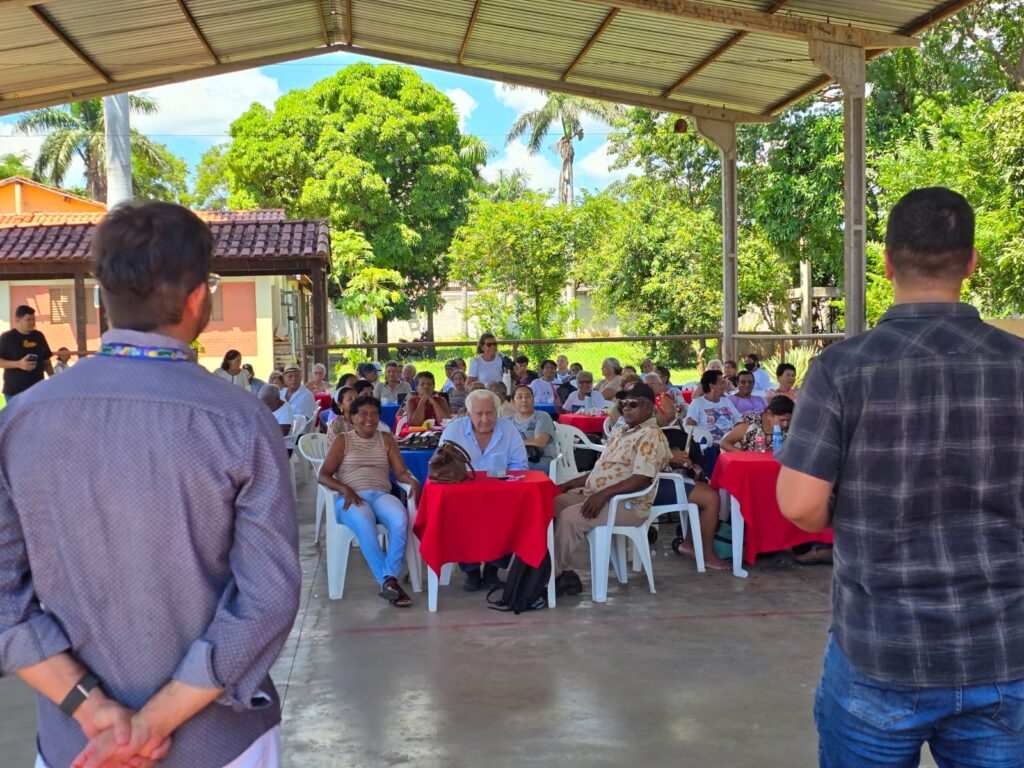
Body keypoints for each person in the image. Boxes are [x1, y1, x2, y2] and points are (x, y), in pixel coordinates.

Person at [0, 202, 301, 768]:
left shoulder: (19, 423)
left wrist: (96, 717)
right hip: (223, 744)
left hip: (77, 745)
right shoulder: (240, 419)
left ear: (99, 298)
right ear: (197, 299)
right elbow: (267, 598)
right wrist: (152, 723)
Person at [777, 187, 1024, 766]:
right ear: (972, 262)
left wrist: (860, 506)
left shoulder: (842, 368)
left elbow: (800, 504)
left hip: (881, 648)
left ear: (886, 265)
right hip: (1005, 648)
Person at [552, 383, 671, 596]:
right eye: (623, 403)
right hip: (595, 495)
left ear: (648, 408)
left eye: (633, 404)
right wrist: (566, 486)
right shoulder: (620, 432)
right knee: (547, 505)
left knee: (570, 517)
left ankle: (547, 580)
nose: (626, 408)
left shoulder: (651, 435)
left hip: (629, 504)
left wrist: (603, 495)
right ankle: (560, 572)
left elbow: (642, 478)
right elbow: (601, 471)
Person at [318, 395, 419, 608]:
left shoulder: (386, 439)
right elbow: (324, 475)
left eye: (374, 414)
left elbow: (400, 472)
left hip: (380, 494)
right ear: (352, 417)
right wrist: (344, 488)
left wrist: (413, 482)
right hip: (350, 498)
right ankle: (389, 580)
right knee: (364, 520)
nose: (369, 418)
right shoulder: (343, 440)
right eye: (363, 414)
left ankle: (389, 579)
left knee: (401, 518)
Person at [439, 390, 528, 591]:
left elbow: (520, 464)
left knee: (512, 514)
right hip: (463, 495)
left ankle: (492, 571)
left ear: (498, 412)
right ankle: (470, 571)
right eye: (479, 414)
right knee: (454, 514)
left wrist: (503, 482)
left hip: (500, 494)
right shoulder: (454, 430)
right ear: (469, 413)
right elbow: (442, 464)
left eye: (490, 413)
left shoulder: (508, 429)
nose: (485, 419)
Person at [658, 426, 730, 571]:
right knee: (711, 498)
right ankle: (707, 554)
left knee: (708, 489)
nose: (628, 408)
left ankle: (690, 543)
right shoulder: (636, 430)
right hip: (645, 487)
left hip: (655, 480)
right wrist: (667, 456)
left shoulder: (643, 428)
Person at [0, 304, 53, 402]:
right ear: (17, 320)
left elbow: (46, 361)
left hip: (37, 390)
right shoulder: (7, 337)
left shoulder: (39, 336)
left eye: (34, 319)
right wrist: (18, 364)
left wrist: (53, 379)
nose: (32, 322)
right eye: (28, 319)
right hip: (14, 392)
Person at [685, 370, 742, 444]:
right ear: (711, 385)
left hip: (730, 442)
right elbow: (690, 427)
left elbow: (739, 421)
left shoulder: (726, 401)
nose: (725, 385)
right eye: (722, 382)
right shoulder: (698, 403)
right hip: (709, 445)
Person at [721, 395, 793, 452]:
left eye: (789, 420)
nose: (785, 424)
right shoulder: (750, 421)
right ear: (769, 414)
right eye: (782, 420)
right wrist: (743, 455)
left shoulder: (792, 427)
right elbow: (725, 443)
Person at [511, 385, 557, 474]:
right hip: (517, 460)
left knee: (514, 469)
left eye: (528, 396)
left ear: (533, 399)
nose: (524, 400)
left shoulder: (542, 416)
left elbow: (540, 443)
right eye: (519, 397)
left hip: (541, 459)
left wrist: (513, 443)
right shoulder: (508, 421)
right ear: (513, 402)